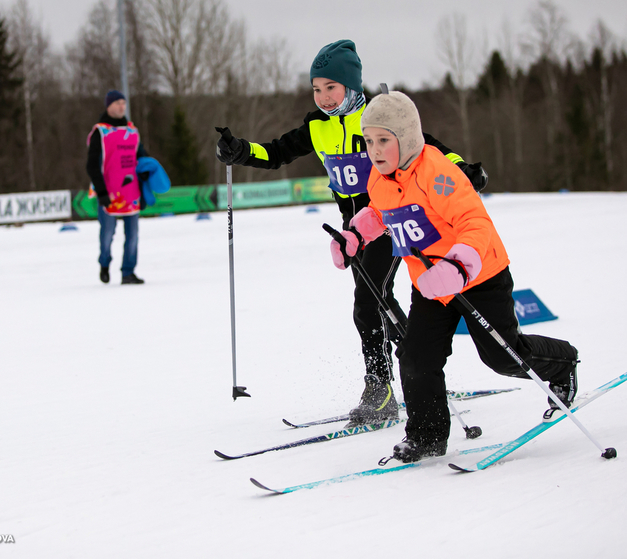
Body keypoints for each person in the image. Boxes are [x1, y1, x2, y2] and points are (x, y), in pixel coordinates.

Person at [215, 40, 488, 428]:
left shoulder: (375, 117)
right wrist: (240, 151)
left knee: (367, 301)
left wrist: (464, 168)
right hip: (354, 227)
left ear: (351, 86)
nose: (324, 97)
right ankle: (417, 370)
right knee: (378, 299)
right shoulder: (317, 126)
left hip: (390, 218)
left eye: (332, 87)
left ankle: (381, 388)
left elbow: (428, 148)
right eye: (317, 88)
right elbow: (276, 153)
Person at [329, 88, 579, 462]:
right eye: (369, 141)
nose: (375, 149)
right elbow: (380, 214)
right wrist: (355, 235)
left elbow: (474, 223)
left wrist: (458, 266)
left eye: (384, 140)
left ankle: (563, 363)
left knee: (503, 355)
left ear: (407, 138)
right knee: (415, 357)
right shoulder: (379, 180)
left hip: (480, 275)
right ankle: (426, 436)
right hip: (430, 284)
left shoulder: (437, 172)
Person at [86, 89, 147, 285]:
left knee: (133, 235)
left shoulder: (132, 131)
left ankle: (128, 271)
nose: (122, 106)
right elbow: (92, 165)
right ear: (109, 106)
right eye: (117, 103)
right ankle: (104, 263)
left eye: (124, 103)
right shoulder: (100, 132)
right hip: (109, 192)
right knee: (107, 234)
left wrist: (145, 187)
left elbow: (143, 160)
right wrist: (101, 191)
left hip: (131, 191)